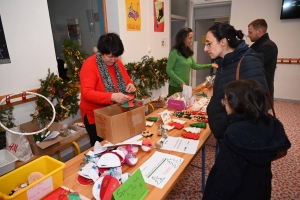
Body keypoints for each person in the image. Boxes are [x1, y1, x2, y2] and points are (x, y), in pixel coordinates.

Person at [202, 79, 291, 200]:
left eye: (226, 100)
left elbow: (226, 179)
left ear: (237, 103)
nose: (224, 104)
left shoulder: (235, 133)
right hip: (260, 189)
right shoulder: (269, 122)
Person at [204, 23, 267, 141]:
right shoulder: (223, 63)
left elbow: (257, 107)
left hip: (240, 139)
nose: (205, 48)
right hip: (226, 134)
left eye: (209, 43)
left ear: (223, 41)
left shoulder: (248, 62)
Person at [80, 33, 136, 146]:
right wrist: (112, 96)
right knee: (102, 147)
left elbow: (127, 80)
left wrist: (131, 85)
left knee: (117, 143)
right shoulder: (90, 65)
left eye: (116, 56)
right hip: (95, 116)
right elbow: (87, 93)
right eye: (110, 57)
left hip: (114, 112)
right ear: (101, 52)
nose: (113, 60)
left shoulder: (117, 63)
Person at [166, 27, 218, 97]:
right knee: (175, 107)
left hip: (185, 85)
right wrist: (181, 82)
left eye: (192, 38)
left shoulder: (187, 52)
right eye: (190, 38)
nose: (191, 40)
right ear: (183, 38)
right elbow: (169, 70)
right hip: (176, 86)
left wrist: (211, 65)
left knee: (185, 106)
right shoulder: (174, 52)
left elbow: (195, 66)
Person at [248, 19, 278, 103]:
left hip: (261, 88)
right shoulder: (261, 45)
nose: (248, 35)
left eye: (250, 32)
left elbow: (253, 66)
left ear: (259, 31)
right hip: (255, 87)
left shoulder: (268, 46)